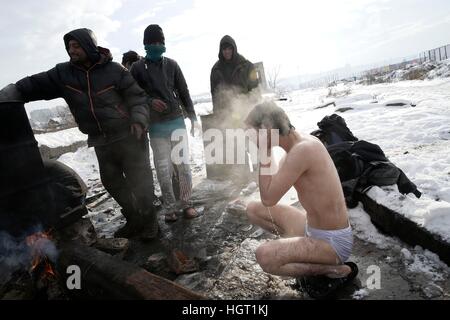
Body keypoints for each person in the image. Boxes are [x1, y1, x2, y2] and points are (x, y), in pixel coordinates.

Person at [0, 28, 158, 239]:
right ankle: (134, 218)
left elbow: (137, 98)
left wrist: (139, 120)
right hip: (101, 141)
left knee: (140, 182)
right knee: (112, 183)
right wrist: (6, 95)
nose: (71, 50)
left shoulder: (115, 70)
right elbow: (32, 85)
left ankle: (149, 223)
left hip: (128, 135)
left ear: (89, 46)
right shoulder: (63, 74)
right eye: (68, 47)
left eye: (76, 46)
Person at [244, 101, 358, 299]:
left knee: (265, 256)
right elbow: (267, 195)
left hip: (332, 243)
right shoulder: (295, 149)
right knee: (252, 209)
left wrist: (264, 152)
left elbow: (269, 198)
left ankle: (333, 269)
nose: (251, 140)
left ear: (267, 129)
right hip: (310, 229)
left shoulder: (303, 151)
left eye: (253, 134)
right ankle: (298, 252)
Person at [130, 24, 198, 222]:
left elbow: (183, 91)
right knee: (164, 169)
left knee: (183, 166)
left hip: (176, 123)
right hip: (157, 128)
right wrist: (150, 101)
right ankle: (169, 208)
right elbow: (133, 95)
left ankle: (186, 203)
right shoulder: (137, 68)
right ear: (145, 45)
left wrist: (192, 116)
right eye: (152, 43)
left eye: (160, 42)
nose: (157, 45)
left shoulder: (172, 65)